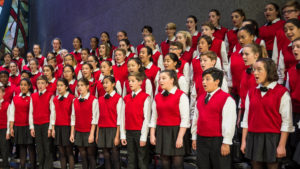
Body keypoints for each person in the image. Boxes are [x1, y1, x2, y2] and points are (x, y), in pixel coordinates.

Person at [241, 58, 294, 169]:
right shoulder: (251, 91)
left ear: (269, 71)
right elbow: (246, 119)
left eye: (259, 69)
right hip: (253, 136)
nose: (255, 72)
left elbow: (287, 122)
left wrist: (282, 145)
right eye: (254, 69)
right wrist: (243, 141)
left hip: (273, 138)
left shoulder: (282, 92)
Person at [191, 67, 236, 169]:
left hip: (218, 141)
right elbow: (196, 119)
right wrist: (194, 137)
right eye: (203, 79)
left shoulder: (227, 99)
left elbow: (229, 123)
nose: (204, 82)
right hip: (201, 139)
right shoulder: (201, 97)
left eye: (207, 79)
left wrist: (226, 142)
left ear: (217, 81)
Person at [150, 70, 190, 169]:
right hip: (162, 131)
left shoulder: (181, 95)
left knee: (177, 164)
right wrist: (152, 134)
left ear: (172, 80)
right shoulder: (157, 96)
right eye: (159, 79)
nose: (160, 81)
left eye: (163, 78)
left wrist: (180, 137)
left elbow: (185, 119)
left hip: (176, 132)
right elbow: (154, 117)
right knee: (164, 162)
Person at [120, 72, 151, 169]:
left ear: (140, 82)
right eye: (129, 81)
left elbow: (147, 118)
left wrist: (143, 136)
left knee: (142, 160)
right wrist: (123, 134)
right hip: (129, 132)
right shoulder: (126, 98)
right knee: (131, 159)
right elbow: (122, 117)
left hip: (140, 132)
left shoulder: (145, 97)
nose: (130, 83)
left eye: (133, 81)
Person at [70, 78, 99, 169]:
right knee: (83, 156)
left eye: (82, 85)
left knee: (91, 156)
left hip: (89, 131)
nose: (80, 87)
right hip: (79, 131)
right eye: (78, 86)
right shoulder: (75, 101)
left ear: (87, 87)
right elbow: (73, 117)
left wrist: (91, 134)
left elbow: (95, 119)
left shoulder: (94, 100)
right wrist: (72, 133)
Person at [96, 76, 123, 169]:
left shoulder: (118, 98)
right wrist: (97, 134)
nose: (104, 85)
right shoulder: (100, 99)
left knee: (115, 156)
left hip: (113, 129)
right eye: (103, 83)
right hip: (102, 129)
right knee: (106, 156)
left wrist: (117, 136)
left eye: (107, 82)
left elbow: (120, 118)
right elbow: (98, 117)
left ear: (113, 84)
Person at [9, 78, 36, 169]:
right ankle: (22, 166)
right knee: (21, 148)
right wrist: (11, 128)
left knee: (31, 148)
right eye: (21, 85)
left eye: (25, 85)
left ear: (29, 86)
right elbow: (12, 114)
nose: (23, 87)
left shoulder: (32, 97)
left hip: (28, 126)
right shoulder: (15, 98)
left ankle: (33, 166)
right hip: (18, 126)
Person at [29, 75, 54, 169]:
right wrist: (31, 127)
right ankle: (41, 166)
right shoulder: (33, 96)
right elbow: (31, 112)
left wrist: (50, 128)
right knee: (39, 148)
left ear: (46, 84)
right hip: (36, 125)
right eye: (38, 83)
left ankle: (48, 166)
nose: (40, 85)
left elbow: (52, 113)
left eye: (42, 83)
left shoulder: (50, 95)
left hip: (46, 124)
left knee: (47, 147)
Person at [286, 37, 300, 167]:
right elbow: (288, 94)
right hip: (295, 113)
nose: (295, 49)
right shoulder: (291, 71)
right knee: (293, 144)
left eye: (298, 47)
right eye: (293, 47)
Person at [0, 86, 11, 169]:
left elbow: (9, 119)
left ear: (3, 93)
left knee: (4, 148)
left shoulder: (7, 104)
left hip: (4, 129)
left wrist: (8, 131)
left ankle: (5, 165)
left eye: (0, 92)